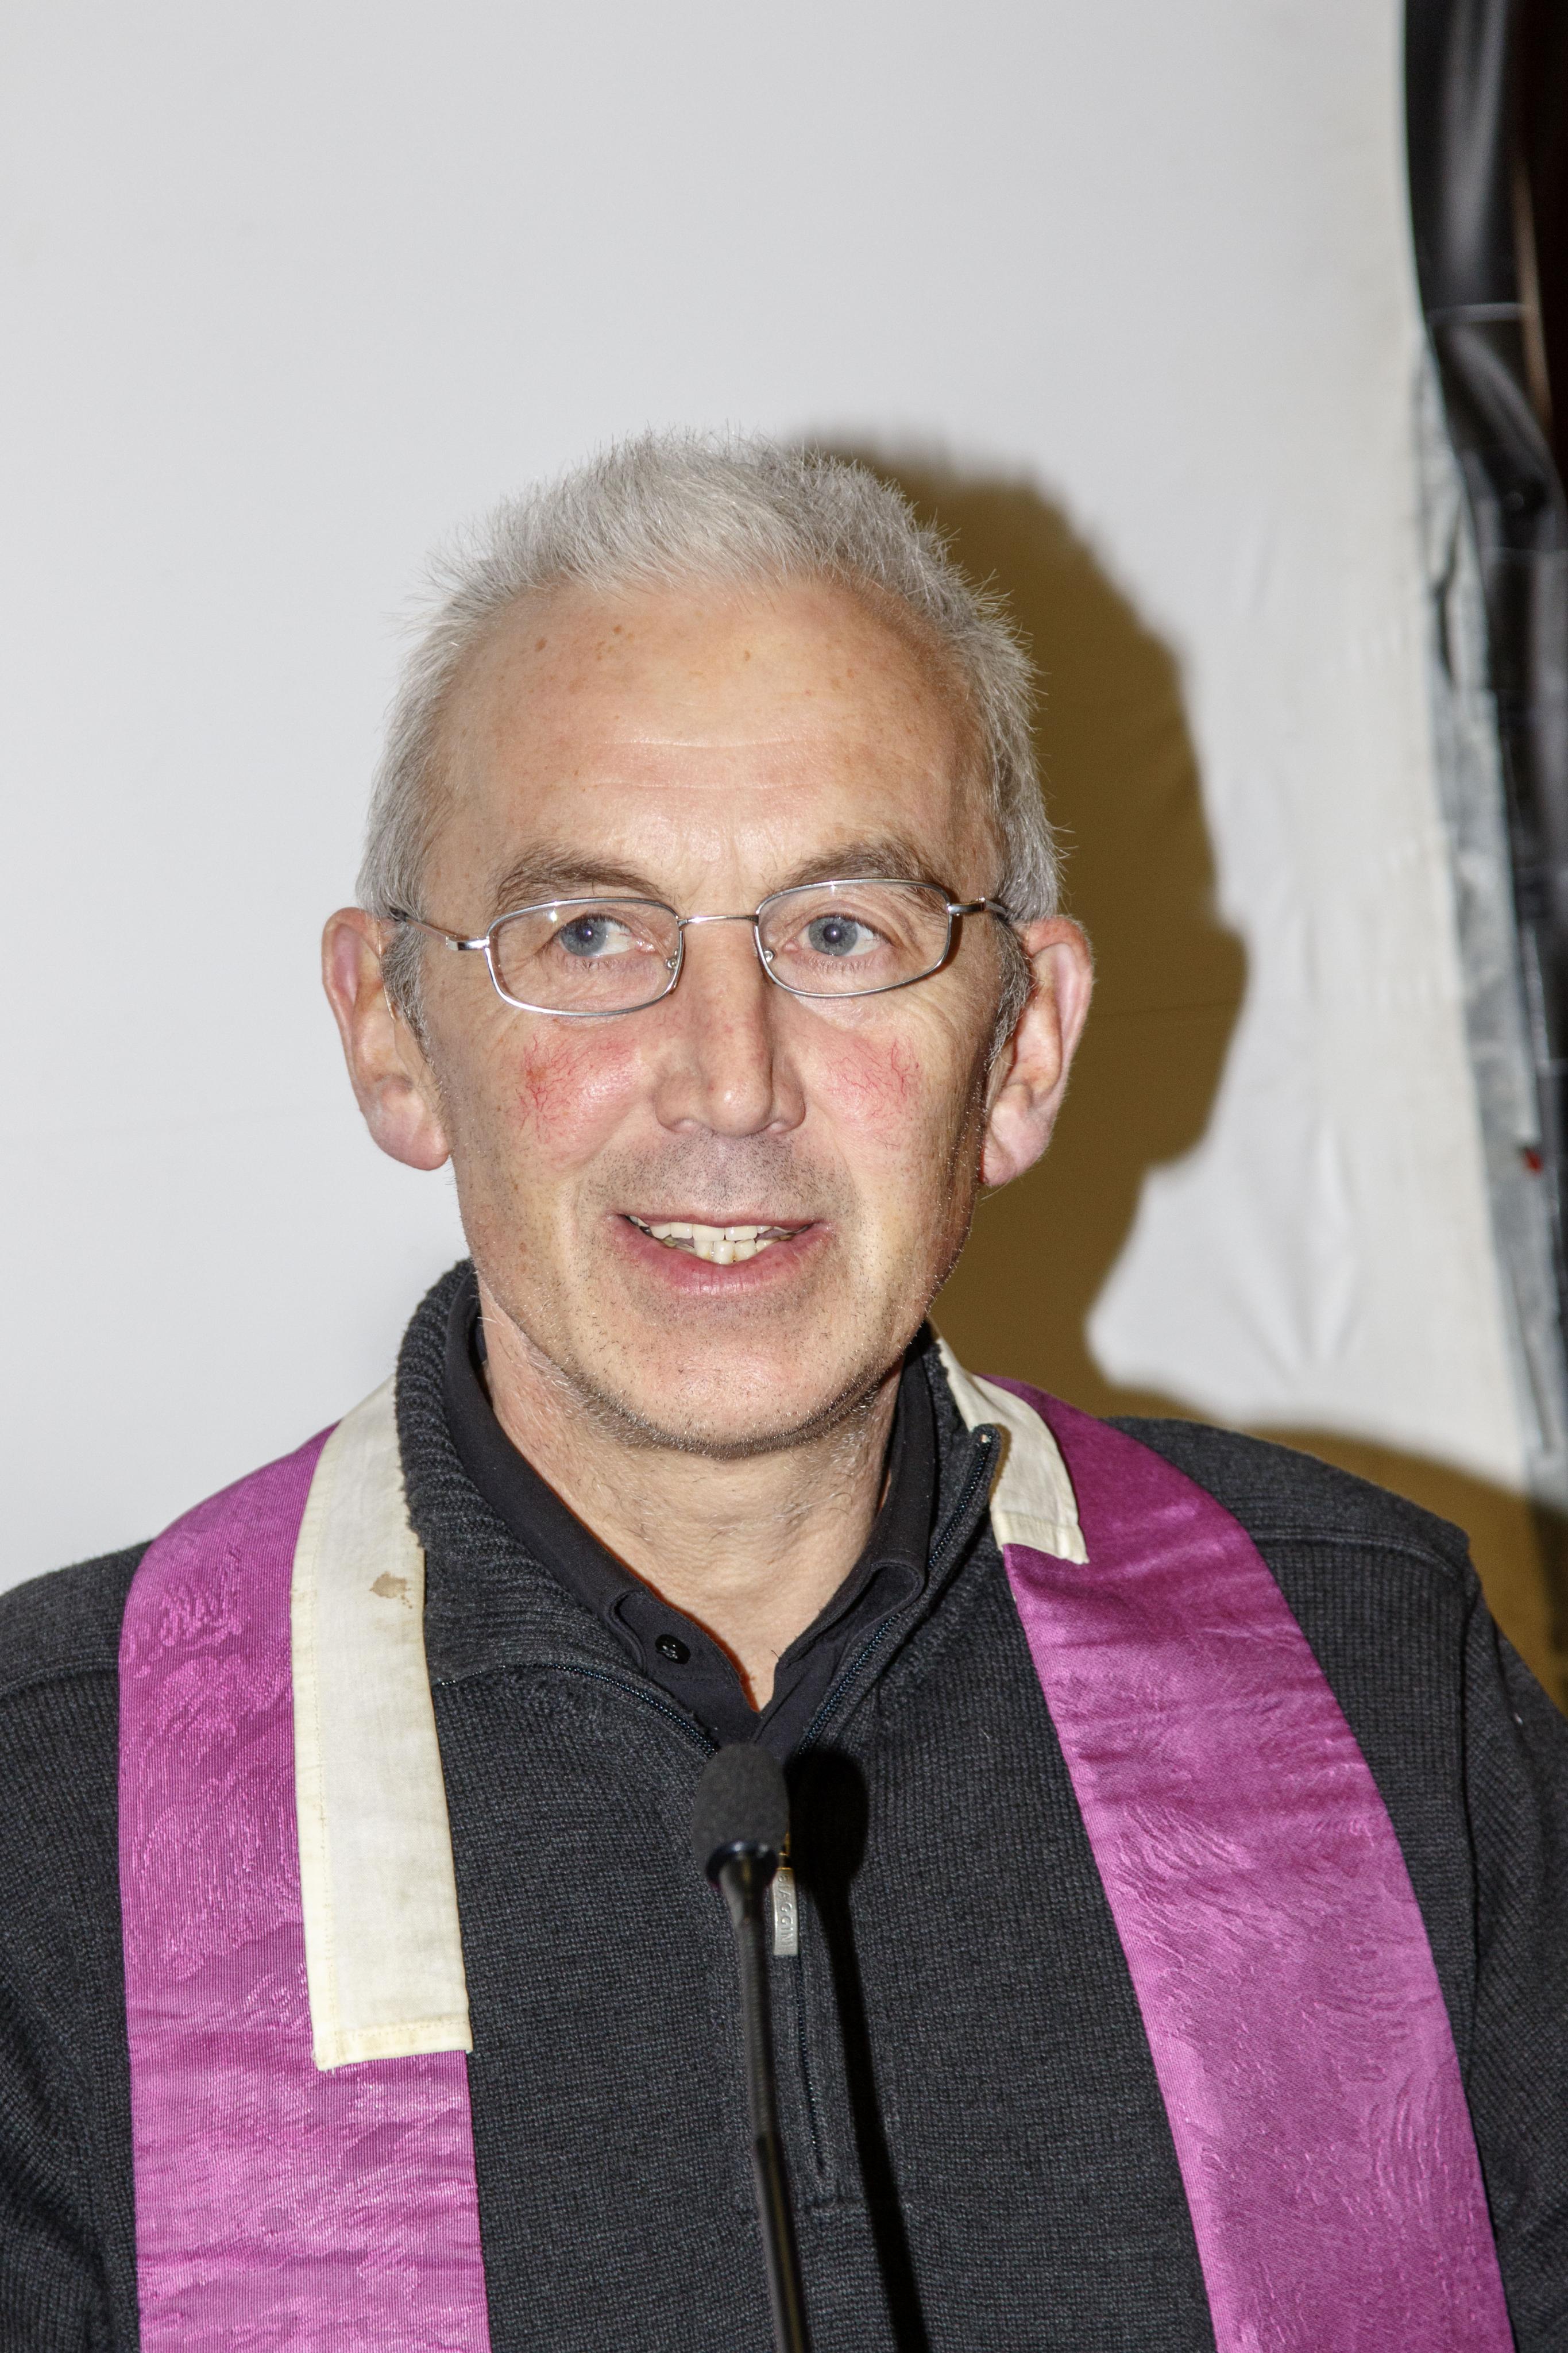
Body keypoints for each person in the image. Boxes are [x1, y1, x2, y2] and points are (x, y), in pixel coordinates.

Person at [1, 435, 1563, 2353]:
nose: (728, 1080)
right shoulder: (58, 1807)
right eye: (592, 935)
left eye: (840, 932)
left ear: (1021, 1047)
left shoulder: (1369, 1675)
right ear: (394, 1035)